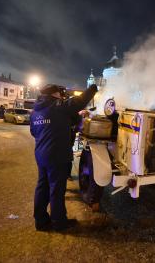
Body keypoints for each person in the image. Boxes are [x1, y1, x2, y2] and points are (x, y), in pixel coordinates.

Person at [30, 83, 98, 231]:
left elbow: (34, 133)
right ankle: (59, 223)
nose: (62, 96)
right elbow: (79, 101)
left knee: (42, 187)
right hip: (57, 155)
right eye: (60, 93)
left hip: (41, 155)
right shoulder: (58, 105)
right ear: (54, 94)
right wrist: (93, 88)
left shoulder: (35, 111)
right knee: (56, 190)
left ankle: (40, 222)